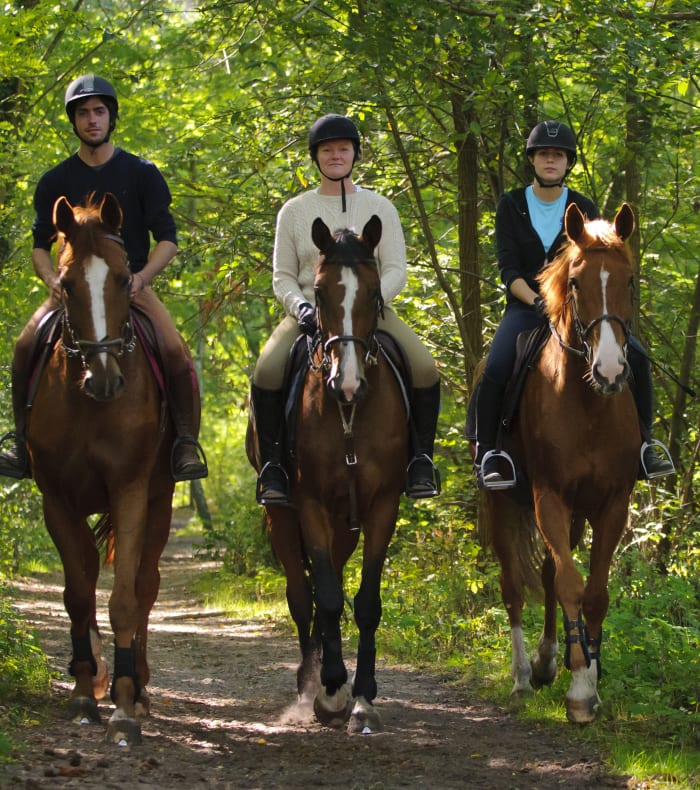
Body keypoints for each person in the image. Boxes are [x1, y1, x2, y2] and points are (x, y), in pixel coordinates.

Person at [0, 74, 207, 481]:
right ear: (73, 121)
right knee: (25, 344)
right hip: (74, 291)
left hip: (127, 287)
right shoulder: (55, 181)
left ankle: (184, 443)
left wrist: (143, 278)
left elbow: (168, 238)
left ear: (111, 118)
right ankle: (19, 441)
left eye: (99, 112)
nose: (92, 120)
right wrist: (51, 281)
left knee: (174, 351)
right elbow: (40, 244)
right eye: (83, 113)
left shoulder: (142, 173)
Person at [473, 119, 675, 489]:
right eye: (544, 154)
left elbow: (596, 266)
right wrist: (537, 301)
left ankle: (646, 445)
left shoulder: (583, 206)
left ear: (568, 162)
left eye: (559, 155)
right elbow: (508, 269)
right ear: (532, 159)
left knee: (640, 356)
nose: (551, 161)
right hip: (526, 308)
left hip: (580, 313)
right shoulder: (511, 205)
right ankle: (489, 452)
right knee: (497, 363)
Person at [251, 113, 441, 504]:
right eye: (327, 150)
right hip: (312, 312)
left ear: (355, 154)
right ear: (315, 157)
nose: (336, 156)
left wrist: (371, 304)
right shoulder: (294, 211)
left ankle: (421, 459)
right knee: (266, 369)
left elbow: (395, 270)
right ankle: (272, 465)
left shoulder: (380, 206)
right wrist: (302, 308)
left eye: (343, 149)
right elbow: (282, 276)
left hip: (371, 312)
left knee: (424, 367)